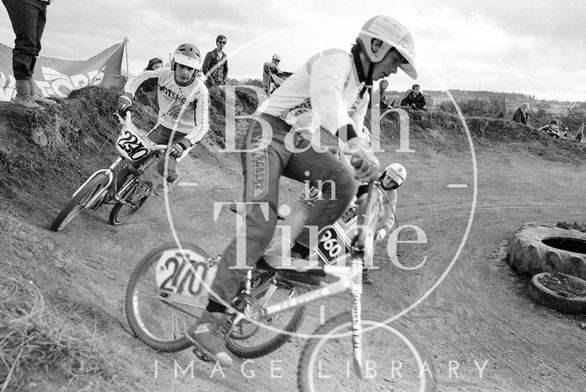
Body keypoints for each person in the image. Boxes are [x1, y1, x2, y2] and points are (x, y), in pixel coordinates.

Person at [185, 15, 417, 366]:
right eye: (395, 60)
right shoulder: (336, 60)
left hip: (298, 145)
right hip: (267, 133)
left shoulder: (364, 90)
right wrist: (355, 144)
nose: (395, 71)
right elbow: (327, 101)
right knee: (260, 224)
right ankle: (210, 321)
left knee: (344, 180)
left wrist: (368, 181)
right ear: (375, 47)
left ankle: (291, 255)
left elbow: (347, 146)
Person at [115, 43, 210, 195]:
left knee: (164, 165)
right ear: (174, 64)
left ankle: (172, 178)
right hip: (163, 127)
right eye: (182, 66)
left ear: (195, 70)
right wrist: (128, 95)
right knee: (135, 156)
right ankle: (111, 190)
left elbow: (203, 125)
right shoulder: (164, 74)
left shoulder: (200, 91)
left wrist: (184, 144)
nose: (185, 72)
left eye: (190, 68)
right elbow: (138, 78)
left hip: (184, 135)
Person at [3, 0, 56, 109]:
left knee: (34, 46)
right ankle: (22, 95)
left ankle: (31, 94)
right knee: (26, 42)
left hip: (42, 2)